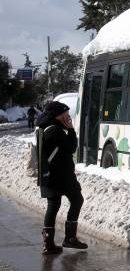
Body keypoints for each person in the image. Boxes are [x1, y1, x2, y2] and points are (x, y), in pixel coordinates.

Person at [36, 101, 88, 255]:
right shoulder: (55, 131)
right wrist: (71, 130)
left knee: (53, 206)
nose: (68, 117)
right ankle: (70, 239)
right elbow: (72, 147)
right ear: (57, 115)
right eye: (65, 114)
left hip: (49, 176)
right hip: (61, 176)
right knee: (77, 200)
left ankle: (48, 243)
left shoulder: (44, 127)